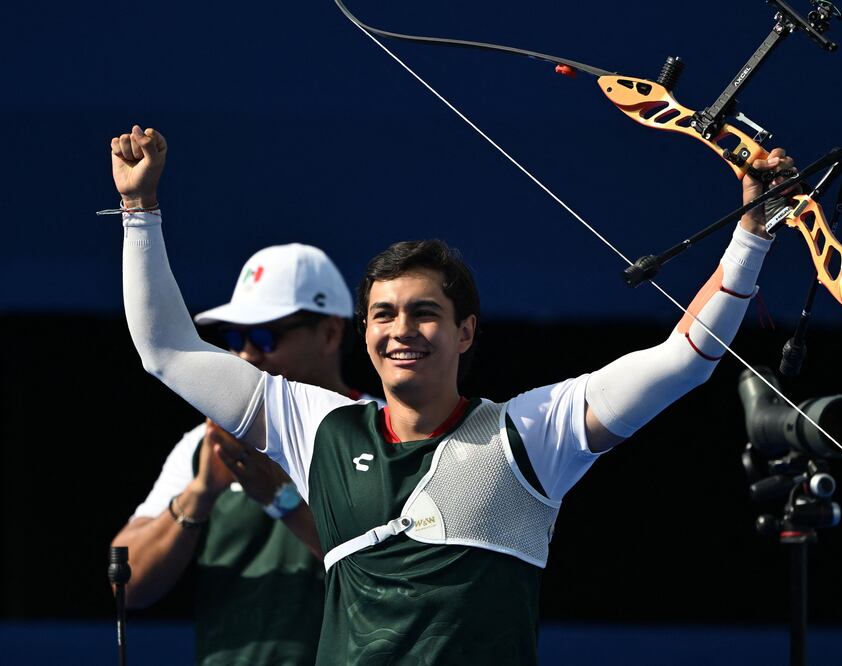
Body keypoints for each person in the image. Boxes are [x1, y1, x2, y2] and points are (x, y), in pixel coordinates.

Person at [110, 124, 793, 664]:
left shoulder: (528, 434)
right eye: (382, 315)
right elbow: (166, 350)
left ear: (465, 332)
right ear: (361, 331)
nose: (400, 331)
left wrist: (751, 236)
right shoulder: (316, 426)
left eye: (424, 314)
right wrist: (139, 210)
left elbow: (684, 358)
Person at [111, 238, 368, 665]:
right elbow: (126, 584)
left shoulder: (382, 431)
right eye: (234, 337)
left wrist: (280, 498)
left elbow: (397, 572)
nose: (245, 354)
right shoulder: (202, 444)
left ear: (329, 333)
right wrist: (200, 493)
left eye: (266, 336)